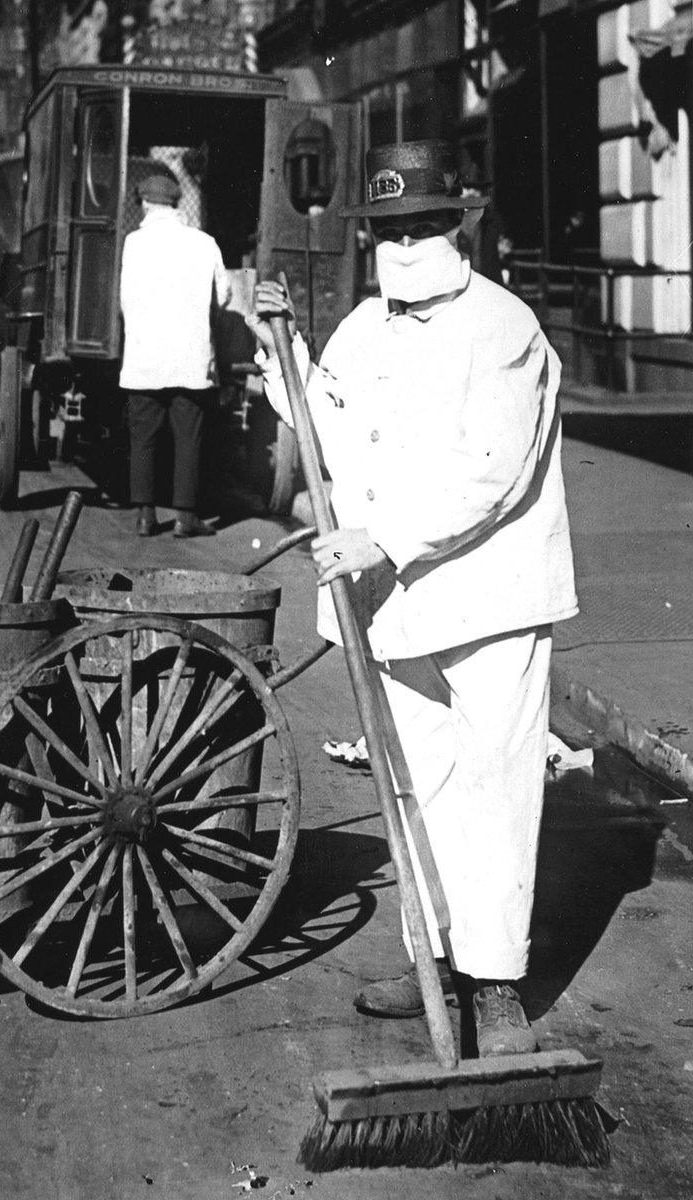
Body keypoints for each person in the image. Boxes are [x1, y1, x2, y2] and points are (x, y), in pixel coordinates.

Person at [250, 138, 577, 1058]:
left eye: (419, 225)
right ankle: (434, 963)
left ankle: (498, 983)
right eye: (387, 228)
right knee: (416, 786)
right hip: (390, 601)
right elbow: (324, 424)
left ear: (453, 226)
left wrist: (384, 537)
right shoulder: (363, 326)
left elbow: (493, 473)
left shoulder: (503, 328)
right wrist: (281, 350)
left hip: (488, 599)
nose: (403, 242)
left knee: (497, 789)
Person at [119, 171, 231, 537]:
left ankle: (145, 515)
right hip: (190, 356)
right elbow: (225, 295)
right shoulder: (204, 242)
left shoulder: (133, 243)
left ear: (145, 204)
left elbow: (124, 302)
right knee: (188, 436)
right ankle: (185, 517)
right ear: (177, 203)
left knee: (143, 436)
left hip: (143, 358)